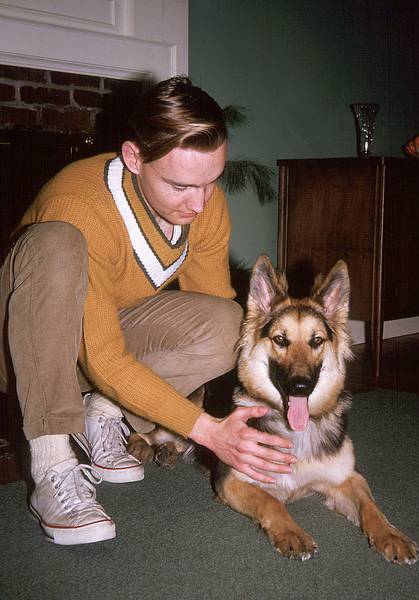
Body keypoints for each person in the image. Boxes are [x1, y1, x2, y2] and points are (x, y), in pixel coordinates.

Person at [0, 76, 295, 545]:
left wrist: (257, 403)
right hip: (27, 347)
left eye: (210, 181)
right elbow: (103, 358)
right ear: (134, 158)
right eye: (180, 185)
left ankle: (106, 413)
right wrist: (207, 432)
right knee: (54, 241)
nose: (198, 203)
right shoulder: (79, 205)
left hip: (104, 335)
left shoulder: (204, 204)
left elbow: (214, 312)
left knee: (227, 323)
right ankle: (53, 460)